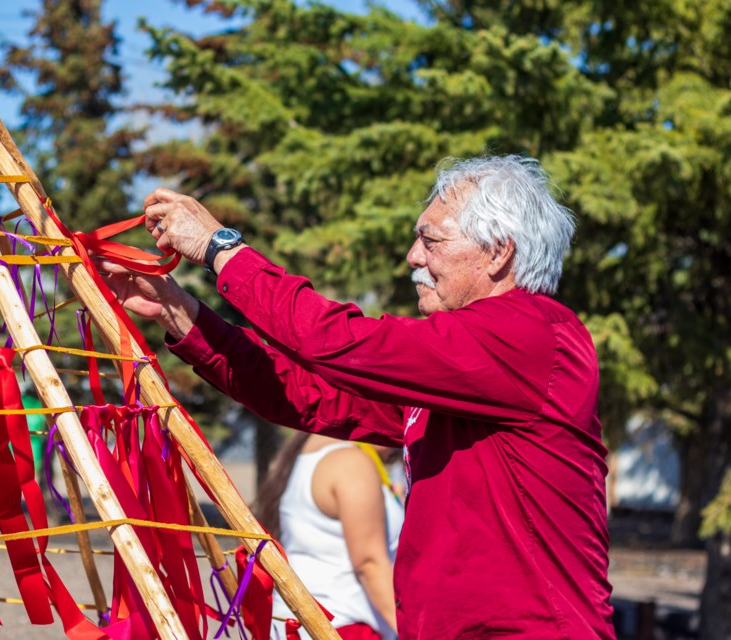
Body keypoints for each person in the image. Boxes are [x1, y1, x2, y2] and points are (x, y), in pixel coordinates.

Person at [100, 155, 614, 638]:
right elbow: (310, 395)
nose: (413, 257)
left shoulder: (531, 334)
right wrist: (181, 315)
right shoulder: (468, 369)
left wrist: (221, 249)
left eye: (430, 240)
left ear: (499, 252)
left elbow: (339, 343)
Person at [254, 431, 403, 639]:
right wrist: (413, 631)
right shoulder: (350, 463)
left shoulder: (311, 451)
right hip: (342, 625)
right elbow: (369, 563)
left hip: (304, 624)